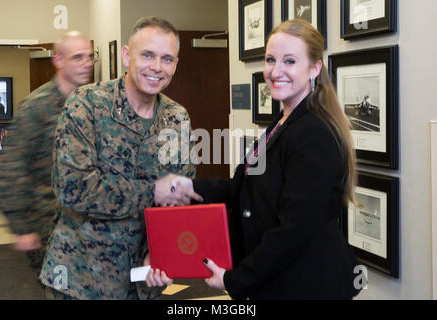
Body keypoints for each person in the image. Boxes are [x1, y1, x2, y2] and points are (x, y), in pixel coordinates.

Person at [147, 19, 362, 300]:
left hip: (307, 284)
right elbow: (247, 188)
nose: (276, 71)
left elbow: (293, 231)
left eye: (289, 61)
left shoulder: (314, 133)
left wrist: (236, 279)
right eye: (270, 60)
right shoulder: (285, 122)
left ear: (314, 68)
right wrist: (189, 187)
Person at [38, 16, 202, 300]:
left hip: (144, 283)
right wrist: (152, 191)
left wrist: (160, 251)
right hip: (81, 281)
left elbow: (180, 198)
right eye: (147, 55)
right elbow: (72, 188)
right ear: (127, 56)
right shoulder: (86, 104)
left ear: (175, 64)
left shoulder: (177, 118)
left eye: (167, 59)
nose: (156, 67)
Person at [0, 31, 94, 278]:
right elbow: (12, 167)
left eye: (91, 57)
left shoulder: (94, 103)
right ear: (58, 60)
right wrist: (21, 226)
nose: (88, 63)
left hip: (88, 224)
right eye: (78, 57)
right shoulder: (36, 107)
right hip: (48, 224)